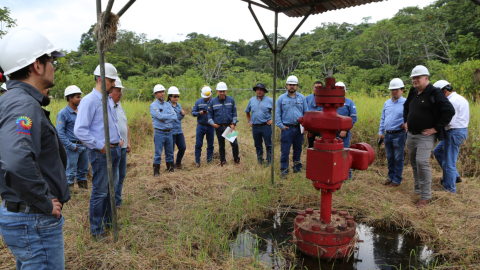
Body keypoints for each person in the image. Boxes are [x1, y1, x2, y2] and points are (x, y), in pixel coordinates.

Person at [0, 27, 70, 269]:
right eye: (51, 60)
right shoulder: (23, 104)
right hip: (34, 217)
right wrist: (44, 201)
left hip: (24, 214)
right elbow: (16, 160)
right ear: (36, 66)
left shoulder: (12, 100)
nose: (53, 66)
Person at [74, 63, 123, 240]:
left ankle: (109, 222)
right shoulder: (89, 101)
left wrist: (118, 139)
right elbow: (80, 130)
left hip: (114, 150)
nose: (113, 84)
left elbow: (110, 124)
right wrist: (100, 146)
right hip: (101, 153)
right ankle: (96, 230)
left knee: (111, 189)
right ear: (101, 79)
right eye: (111, 81)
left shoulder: (108, 99)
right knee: (100, 192)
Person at [403, 65, 455, 208]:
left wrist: (436, 128)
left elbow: (449, 111)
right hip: (411, 134)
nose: (415, 80)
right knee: (413, 162)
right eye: (413, 78)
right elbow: (406, 107)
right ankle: (418, 188)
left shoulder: (434, 93)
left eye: (418, 77)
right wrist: (406, 121)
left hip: (425, 135)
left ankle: (426, 196)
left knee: (421, 162)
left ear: (426, 78)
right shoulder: (413, 91)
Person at [432, 80, 469, 193]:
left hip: (454, 132)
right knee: (438, 152)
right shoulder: (460, 98)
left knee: (449, 162)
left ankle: (449, 189)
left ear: (444, 91)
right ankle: (455, 176)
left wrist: (434, 126)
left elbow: (448, 121)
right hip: (459, 131)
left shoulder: (451, 101)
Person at [275, 75, 307, 178]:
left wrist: (305, 126)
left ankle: (297, 168)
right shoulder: (281, 98)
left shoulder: (302, 98)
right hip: (287, 128)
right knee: (285, 150)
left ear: (297, 86)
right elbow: (277, 113)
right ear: (286, 85)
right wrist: (281, 126)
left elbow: (306, 113)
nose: (292, 86)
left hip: (299, 128)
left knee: (298, 149)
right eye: (290, 85)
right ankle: (284, 169)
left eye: (294, 85)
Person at [57, 85, 88, 189]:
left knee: (83, 171)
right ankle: (69, 194)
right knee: (70, 172)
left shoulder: (82, 111)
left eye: (80, 97)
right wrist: (71, 146)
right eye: (78, 97)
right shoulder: (63, 113)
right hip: (72, 147)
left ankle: (83, 192)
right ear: (70, 98)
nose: (80, 99)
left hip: (84, 146)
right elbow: (60, 133)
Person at [378, 78, 407, 187]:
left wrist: (406, 123)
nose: (394, 91)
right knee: (390, 157)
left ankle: (397, 180)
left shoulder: (406, 103)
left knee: (398, 157)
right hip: (388, 134)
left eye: (396, 89)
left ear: (402, 90)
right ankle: (390, 177)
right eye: (392, 89)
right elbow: (383, 118)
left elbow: (411, 117)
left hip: (399, 134)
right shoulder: (387, 103)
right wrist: (381, 132)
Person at [110, 78, 131, 209]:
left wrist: (128, 142)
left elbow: (125, 125)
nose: (121, 94)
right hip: (114, 147)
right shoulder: (107, 107)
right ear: (111, 91)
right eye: (118, 91)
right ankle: (113, 201)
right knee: (115, 176)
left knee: (122, 175)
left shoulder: (120, 107)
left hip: (123, 147)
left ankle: (118, 200)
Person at [208, 82, 240, 166]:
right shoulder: (213, 101)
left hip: (228, 126)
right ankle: (222, 161)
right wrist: (212, 124)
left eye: (224, 91)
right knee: (221, 146)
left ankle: (236, 159)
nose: (222, 93)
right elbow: (209, 115)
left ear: (226, 91)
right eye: (220, 91)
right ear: (217, 91)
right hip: (219, 127)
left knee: (235, 144)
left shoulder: (231, 100)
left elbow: (234, 113)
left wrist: (233, 124)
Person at [150, 84, 177, 176]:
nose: (162, 94)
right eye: (160, 92)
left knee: (170, 152)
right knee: (158, 152)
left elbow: (175, 116)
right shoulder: (153, 105)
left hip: (169, 132)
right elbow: (159, 116)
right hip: (159, 132)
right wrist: (168, 117)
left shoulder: (168, 104)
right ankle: (156, 171)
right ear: (155, 94)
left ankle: (170, 168)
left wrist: (164, 119)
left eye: (163, 92)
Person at [245, 83, 273, 165]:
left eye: (261, 90)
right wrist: (249, 121)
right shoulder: (252, 100)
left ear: (264, 91)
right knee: (258, 145)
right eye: (257, 89)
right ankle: (260, 160)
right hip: (255, 127)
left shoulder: (270, 100)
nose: (259, 91)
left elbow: (277, 111)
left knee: (268, 145)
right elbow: (247, 111)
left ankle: (269, 161)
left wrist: (272, 120)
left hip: (266, 126)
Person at [335, 81, 357, 179]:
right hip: (332, 133)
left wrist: (345, 130)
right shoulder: (330, 103)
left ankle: (347, 176)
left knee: (344, 154)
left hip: (344, 134)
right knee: (333, 155)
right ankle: (335, 175)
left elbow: (353, 118)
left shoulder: (349, 102)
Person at [192, 86, 215, 168]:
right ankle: (197, 161)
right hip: (200, 126)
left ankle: (209, 161)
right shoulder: (198, 102)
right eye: (205, 97)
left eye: (208, 97)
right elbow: (193, 113)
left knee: (210, 145)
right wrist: (199, 113)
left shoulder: (214, 102)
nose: (206, 99)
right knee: (198, 144)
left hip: (210, 127)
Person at [167, 86, 186, 169]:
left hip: (179, 130)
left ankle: (178, 162)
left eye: (178, 96)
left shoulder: (179, 106)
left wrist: (183, 115)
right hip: (171, 131)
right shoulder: (166, 106)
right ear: (170, 97)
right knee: (171, 149)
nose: (176, 98)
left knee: (182, 147)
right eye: (175, 96)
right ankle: (170, 165)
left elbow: (179, 118)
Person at [305, 81, 324, 148]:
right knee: (311, 145)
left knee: (323, 145)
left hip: (322, 126)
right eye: (316, 87)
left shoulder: (325, 98)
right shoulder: (308, 98)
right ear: (313, 88)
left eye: (319, 87)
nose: (317, 89)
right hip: (311, 126)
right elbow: (304, 111)